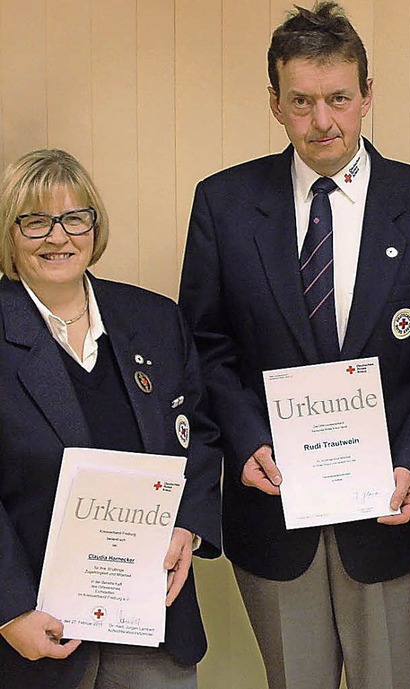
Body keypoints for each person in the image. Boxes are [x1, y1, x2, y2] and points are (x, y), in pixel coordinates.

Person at [178, 2, 410, 687]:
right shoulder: (224, 204)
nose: (323, 122)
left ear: (367, 95)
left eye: (340, 98)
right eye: (303, 101)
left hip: (387, 512)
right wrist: (246, 437)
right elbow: (205, 345)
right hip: (273, 508)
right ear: (275, 103)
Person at [0, 148, 222, 689]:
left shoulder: (154, 319)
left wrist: (189, 527)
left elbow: (201, 433)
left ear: (94, 226)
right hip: (35, 628)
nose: (58, 237)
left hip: (151, 616)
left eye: (75, 218)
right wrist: (9, 610)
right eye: (35, 222)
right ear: (10, 234)